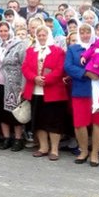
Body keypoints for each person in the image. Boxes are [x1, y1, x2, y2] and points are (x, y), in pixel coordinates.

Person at [64, 23, 99, 167]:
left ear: (92, 33)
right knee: (80, 124)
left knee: (98, 123)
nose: (85, 35)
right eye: (82, 32)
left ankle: (95, 153)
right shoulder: (73, 49)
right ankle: (84, 150)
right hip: (80, 91)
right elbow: (68, 66)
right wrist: (86, 73)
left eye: (87, 32)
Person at [22, 26, 68, 160]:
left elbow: (60, 69)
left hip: (53, 92)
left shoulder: (58, 51)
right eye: (40, 35)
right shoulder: (31, 51)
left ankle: (54, 149)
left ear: (49, 36)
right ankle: (43, 147)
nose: (42, 37)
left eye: (44, 35)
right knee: (39, 121)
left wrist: (46, 80)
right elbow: (25, 67)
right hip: (35, 91)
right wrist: (34, 78)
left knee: (54, 122)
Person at [0, 21, 27, 151]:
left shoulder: (20, 45)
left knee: (14, 113)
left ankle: (18, 139)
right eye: (1, 31)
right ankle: (6, 138)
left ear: (10, 31)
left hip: (13, 85)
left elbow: (24, 66)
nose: (3, 33)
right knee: (1, 111)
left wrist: (23, 86)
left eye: (5, 31)